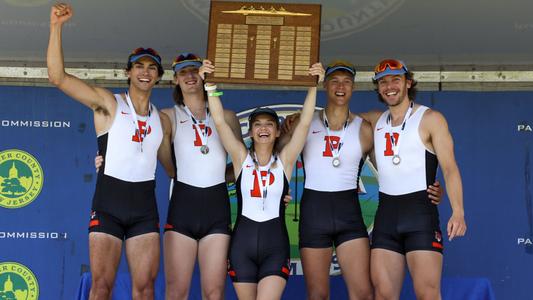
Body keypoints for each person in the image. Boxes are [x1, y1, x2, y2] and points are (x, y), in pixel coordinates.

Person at [280, 61, 443, 300]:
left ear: (353, 88)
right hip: (314, 214)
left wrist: (431, 186)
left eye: (346, 82)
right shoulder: (303, 124)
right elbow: (278, 161)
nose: (340, 87)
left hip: (349, 216)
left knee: (364, 294)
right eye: (334, 81)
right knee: (317, 295)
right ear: (325, 85)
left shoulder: (365, 127)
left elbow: (394, 166)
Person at [47, 4, 173, 300]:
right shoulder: (109, 103)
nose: (145, 72)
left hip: (144, 208)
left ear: (158, 76)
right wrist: (56, 27)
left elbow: (174, 169)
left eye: (151, 67)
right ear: (128, 72)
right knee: (101, 287)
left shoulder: (163, 120)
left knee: (145, 289)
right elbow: (58, 78)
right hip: (108, 204)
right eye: (139, 66)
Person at [201, 59, 325, 300]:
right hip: (242, 248)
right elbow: (219, 121)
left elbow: (306, 122)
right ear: (251, 131)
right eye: (258, 124)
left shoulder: (285, 161)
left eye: (270, 124)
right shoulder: (240, 158)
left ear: (278, 131)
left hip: (275, 246)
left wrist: (313, 85)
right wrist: (211, 87)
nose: (264, 129)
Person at [366, 59, 467, 300]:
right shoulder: (373, 120)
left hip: (420, 216)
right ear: (378, 88)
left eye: (396, 80)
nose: (389, 86)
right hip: (386, 216)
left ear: (408, 83)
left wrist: (458, 211)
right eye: (383, 82)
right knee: (383, 294)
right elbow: (336, 120)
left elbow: (450, 168)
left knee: (427, 294)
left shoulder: (431, 118)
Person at [161, 53, 242, 300]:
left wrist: (222, 175)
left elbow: (242, 164)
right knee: (176, 292)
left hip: (216, 208)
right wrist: (104, 157)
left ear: (205, 74)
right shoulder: (168, 116)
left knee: (214, 292)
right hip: (183, 206)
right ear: (175, 79)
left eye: (194, 70)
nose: (190, 76)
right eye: (183, 72)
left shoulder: (227, 116)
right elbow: (161, 160)